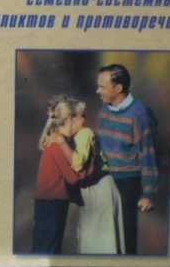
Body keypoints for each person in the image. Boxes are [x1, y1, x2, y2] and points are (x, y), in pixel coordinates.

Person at [95, 64, 158, 255]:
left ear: (118, 88)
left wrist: (148, 194)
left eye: (102, 87)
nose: (97, 91)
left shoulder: (139, 115)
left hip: (127, 183)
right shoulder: (104, 110)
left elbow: (148, 155)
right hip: (105, 180)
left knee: (126, 234)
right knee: (106, 233)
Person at [49, 98, 125, 254]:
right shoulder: (74, 136)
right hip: (96, 190)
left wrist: (61, 142)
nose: (84, 119)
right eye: (81, 116)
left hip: (100, 190)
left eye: (84, 115)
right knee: (94, 242)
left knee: (101, 244)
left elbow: (77, 164)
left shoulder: (85, 133)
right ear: (70, 119)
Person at [31, 100, 82, 254]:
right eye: (75, 121)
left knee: (42, 245)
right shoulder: (57, 146)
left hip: (46, 203)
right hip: (53, 203)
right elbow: (72, 178)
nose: (77, 126)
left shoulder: (52, 142)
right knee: (49, 248)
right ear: (68, 121)